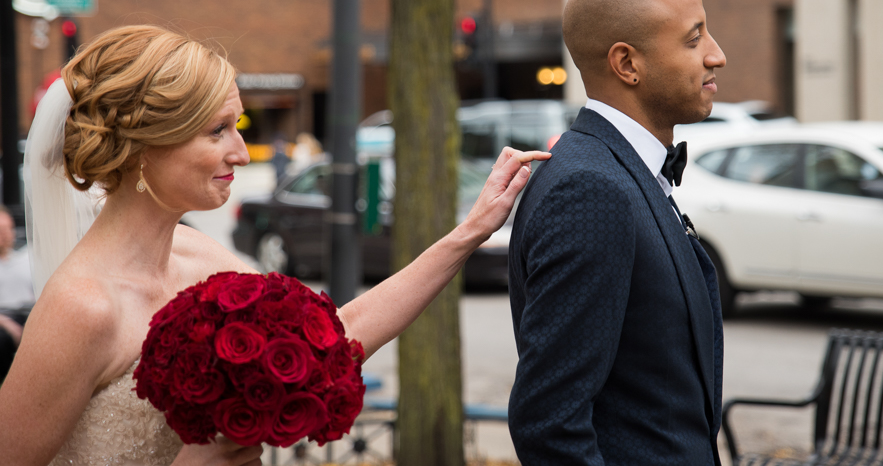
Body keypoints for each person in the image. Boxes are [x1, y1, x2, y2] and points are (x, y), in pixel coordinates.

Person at [0, 25, 549, 466]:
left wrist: (469, 232)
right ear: (143, 148)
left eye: (236, 127)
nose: (240, 153)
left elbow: (336, 337)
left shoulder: (196, 256)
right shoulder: (83, 307)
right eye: (217, 131)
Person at [508, 0, 728, 466]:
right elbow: (548, 422)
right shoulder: (591, 189)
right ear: (627, 63)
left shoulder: (613, 171)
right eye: (694, 39)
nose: (717, 54)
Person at [0, 205, 34, 381]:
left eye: (8, 229)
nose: (5, 235)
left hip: (29, 313)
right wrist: (9, 326)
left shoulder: (28, 258)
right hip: (3, 319)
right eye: (0, 230)